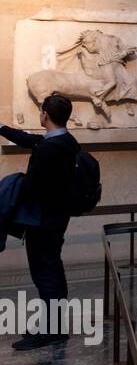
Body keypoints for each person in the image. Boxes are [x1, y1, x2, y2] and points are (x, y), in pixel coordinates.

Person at [1, 94, 80, 350]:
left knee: (45, 275)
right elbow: (30, 140)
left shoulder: (49, 149)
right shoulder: (65, 141)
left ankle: (51, 332)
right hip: (55, 220)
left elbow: (34, 187)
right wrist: (2, 128)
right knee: (52, 271)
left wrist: (13, 186)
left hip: (43, 222)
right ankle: (54, 327)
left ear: (45, 114)